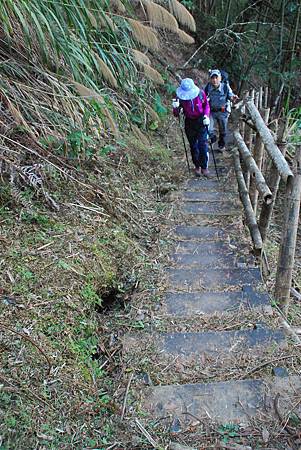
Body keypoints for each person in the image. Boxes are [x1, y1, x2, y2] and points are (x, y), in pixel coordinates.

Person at [172, 78, 210, 177]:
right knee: (193, 145)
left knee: (203, 144)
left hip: (201, 120)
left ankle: (204, 166)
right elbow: (176, 114)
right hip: (189, 122)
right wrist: (175, 107)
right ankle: (197, 166)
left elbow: (206, 105)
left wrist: (206, 115)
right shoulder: (180, 97)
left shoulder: (201, 94)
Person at [204, 69, 238, 152]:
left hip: (223, 112)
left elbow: (231, 96)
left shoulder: (225, 87)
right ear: (210, 79)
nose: (214, 80)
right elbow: (203, 97)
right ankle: (212, 139)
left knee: (223, 131)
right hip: (211, 112)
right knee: (208, 128)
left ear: (220, 78)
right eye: (212, 78)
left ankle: (221, 145)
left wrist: (233, 98)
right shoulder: (208, 87)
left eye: (216, 77)